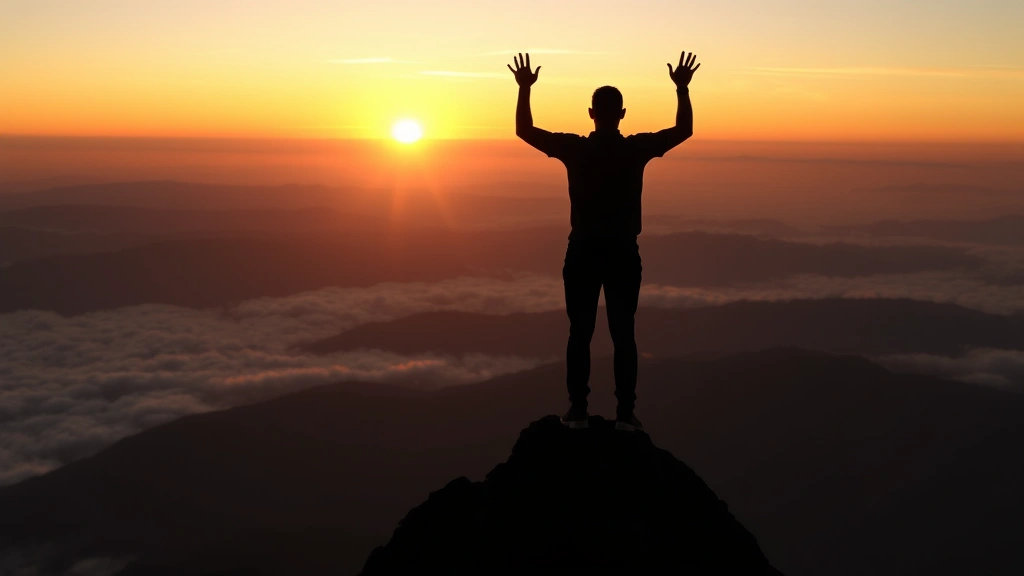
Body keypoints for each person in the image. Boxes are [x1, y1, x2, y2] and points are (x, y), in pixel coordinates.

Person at [508, 51, 700, 432]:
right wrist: (681, 90)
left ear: (591, 113)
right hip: (623, 253)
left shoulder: (576, 149)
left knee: (579, 332)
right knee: (623, 334)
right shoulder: (635, 149)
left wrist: (525, 91)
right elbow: (683, 131)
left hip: (581, 252)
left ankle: (577, 411)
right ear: (622, 114)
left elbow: (524, 131)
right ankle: (625, 415)